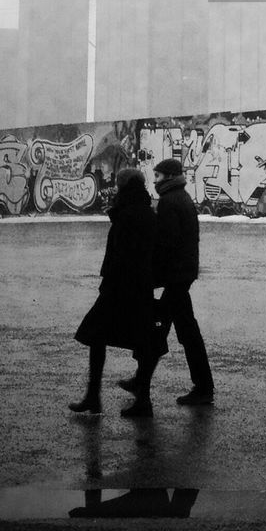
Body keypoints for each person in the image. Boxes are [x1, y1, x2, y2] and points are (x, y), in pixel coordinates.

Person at [69, 167, 165, 418]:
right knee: (142, 342)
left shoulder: (129, 213)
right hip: (138, 288)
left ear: (124, 187)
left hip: (120, 289)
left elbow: (121, 254)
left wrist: (108, 283)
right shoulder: (144, 210)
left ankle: (94, 396)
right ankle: (140, 400)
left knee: (97, 336)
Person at [121, 157, 215, 406]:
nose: (155, 180)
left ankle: (198, 387)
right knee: (182, 330)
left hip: (176, 276)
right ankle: (200, 385)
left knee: (159, 330)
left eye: (159, 176)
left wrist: (153, 276)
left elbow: (165, 244)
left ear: (170, 177)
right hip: (181, 276)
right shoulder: (180, 197)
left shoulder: (170, 202)